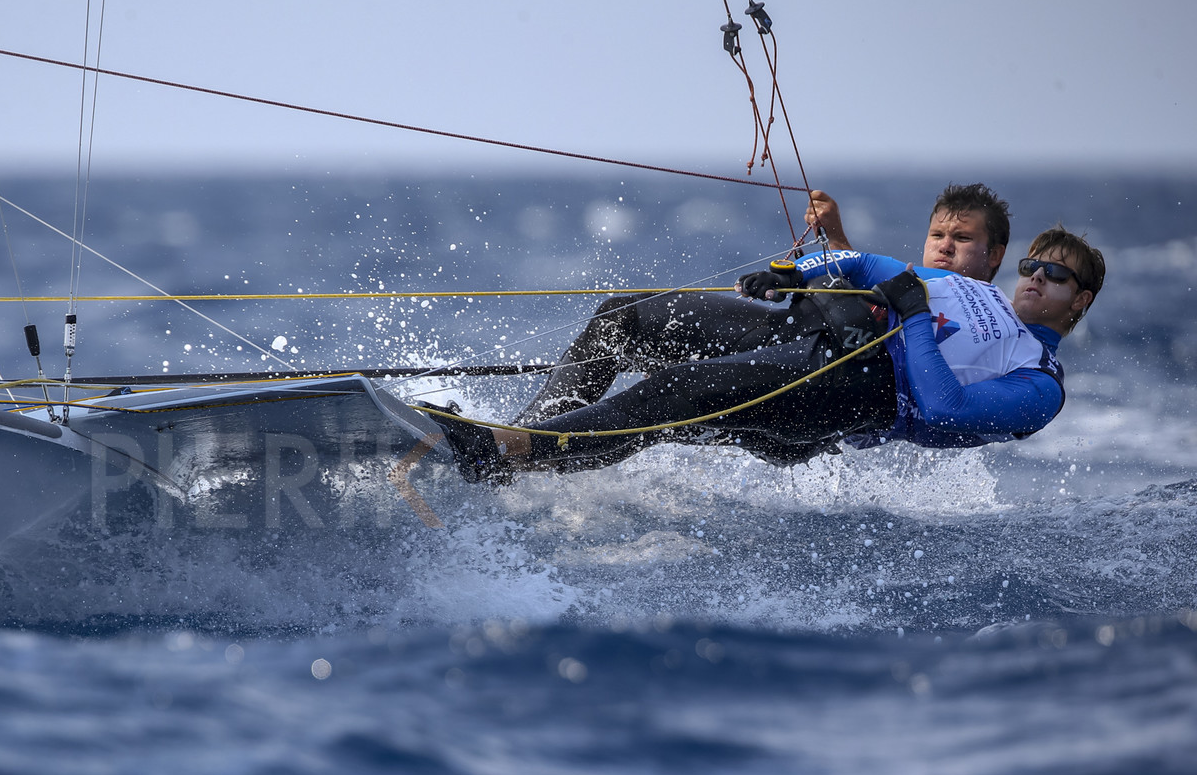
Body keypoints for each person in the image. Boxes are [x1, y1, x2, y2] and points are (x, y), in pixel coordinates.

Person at [433, 219, 1104, 482]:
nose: (1036, 276)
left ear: (1080, 301)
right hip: (814, 333)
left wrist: (915, 318)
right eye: (1033, 264)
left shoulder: (1039, 383)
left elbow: (945, 410)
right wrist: (795, 274)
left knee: (676, 393)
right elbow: (868, 264)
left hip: (855, 391)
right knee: (626, 318)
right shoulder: (973, 288)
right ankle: (521, 442)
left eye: (1056, 275)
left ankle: (505, 451)